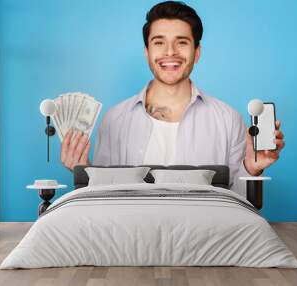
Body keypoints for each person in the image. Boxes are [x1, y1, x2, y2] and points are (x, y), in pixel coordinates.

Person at [60, 1, 285, 197]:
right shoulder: (114, 120)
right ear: (147, 52)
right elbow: (103, 199)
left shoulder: (228, 119)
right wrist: (83, 171)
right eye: (159, 42)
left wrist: (251, 169)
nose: (170, 52)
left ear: (197, 53)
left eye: (182, 42)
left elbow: (238, 203)